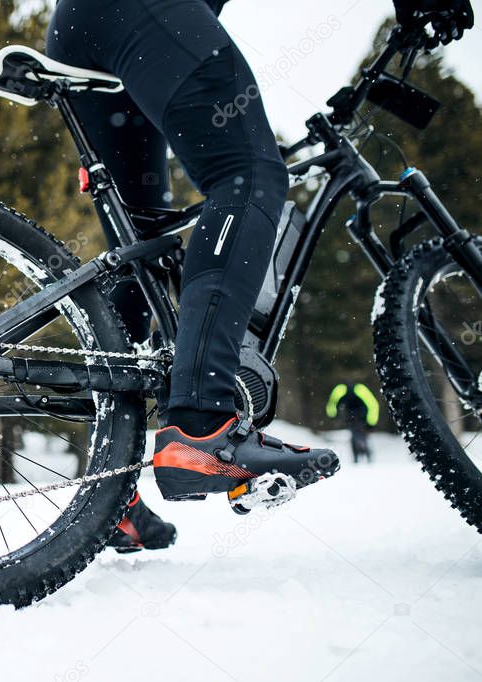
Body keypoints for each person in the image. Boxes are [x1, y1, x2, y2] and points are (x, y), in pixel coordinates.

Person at [46, 0, 473, 550]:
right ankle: (202, 427)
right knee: (248, 174)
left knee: (143, 247)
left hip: (86, 27)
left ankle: (112, 493)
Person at [326, 382, 380, 463]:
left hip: (356, 416)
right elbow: (373, 405)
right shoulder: (360, 389)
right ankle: (362, 454)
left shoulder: (341, 390)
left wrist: (333, 415)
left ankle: (361, 455)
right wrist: (372, 423)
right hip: (357, 417)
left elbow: (332, 404)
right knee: (357, 434)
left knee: (356, 434)